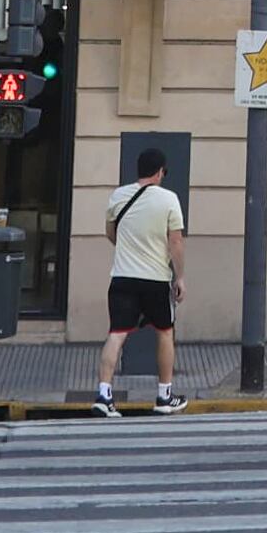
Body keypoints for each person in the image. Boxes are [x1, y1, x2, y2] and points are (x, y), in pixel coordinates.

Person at [94, 147, 188, 414]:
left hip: (122, 277)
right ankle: (164, 396)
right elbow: (176, 241)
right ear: (159, 172)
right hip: (156, 279)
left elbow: (111, 233)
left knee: (116, 334)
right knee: (165, 332)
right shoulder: (169, 199)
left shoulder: (118, 195)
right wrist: (179, 276)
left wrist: (128, 249)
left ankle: (104, 395)